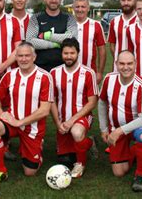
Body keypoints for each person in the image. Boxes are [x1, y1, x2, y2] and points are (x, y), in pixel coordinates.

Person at [0, 42, 53, 187]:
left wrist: (20, 122)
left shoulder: (45, 77)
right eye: (20, 56)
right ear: (15, 57)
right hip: (12, 121)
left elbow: (45, 110)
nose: (23, 59)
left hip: (32, 128)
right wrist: (1, 113)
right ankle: (0, 170)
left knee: (30, 172)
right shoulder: (10, 75)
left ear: (34, 57)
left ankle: (37, 149)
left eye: (27, 55)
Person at [98, 51, 142, 192]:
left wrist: (118, 131)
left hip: (136, 129)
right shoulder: (109, 79)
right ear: (116, 64)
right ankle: (135, 152)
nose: (125, 67)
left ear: (135, 64)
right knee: (119, 172)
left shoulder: (141, 85)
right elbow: (102, 102)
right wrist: (104, 129)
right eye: (122, 63)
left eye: (129, 63)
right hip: (116, 129)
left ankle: (140, 174)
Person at [50, 38, 98, 178]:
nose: (69, 56)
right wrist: (58, 123)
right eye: (66, 53)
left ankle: (80, 164)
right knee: (64, 160)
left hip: (82, 117)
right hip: (62, 121)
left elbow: (92, 102)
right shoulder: (54, 73)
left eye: (72, 53)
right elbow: (51, 101)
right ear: (61, 54)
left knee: (77, 133)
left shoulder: (88, 73)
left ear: (78, 53)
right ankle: (89, 142)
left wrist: (72, 121)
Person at [26, 0, 77, 72]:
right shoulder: (36, 18)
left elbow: (72, 38)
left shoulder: (69, 17)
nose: (53, 0)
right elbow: (30, 41)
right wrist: (55, 44)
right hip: (40, 68)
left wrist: (47, 36)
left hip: (63, 68)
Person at [72, 0, 106, 83]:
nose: (80, 9)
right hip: (69, 73)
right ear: (73, 8)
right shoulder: (66, 24)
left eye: (83, 7)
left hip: (90, 73)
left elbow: (102, 51)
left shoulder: (96, 25)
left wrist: (100, 72)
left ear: (88, 8)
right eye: (77, 7)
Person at [107, 0, 137, 72]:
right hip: (119, 68)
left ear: (135, 0)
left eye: (129, 0)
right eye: (123, 0)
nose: (126, 3)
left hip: (137, 67)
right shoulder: (114, 21)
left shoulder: (140, 20)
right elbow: (112, 45)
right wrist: (119, 58)